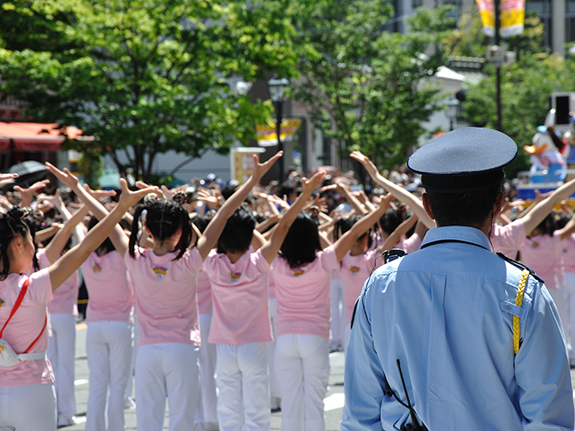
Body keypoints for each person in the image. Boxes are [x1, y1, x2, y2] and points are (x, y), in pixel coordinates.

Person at [342, 128, 574, 430]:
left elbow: (361, 414)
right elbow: (549, 420)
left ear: (427, 206)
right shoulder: (523, 291)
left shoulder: (381, 285)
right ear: (498, 204)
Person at [0, 172, 157, 431]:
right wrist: (119, 209)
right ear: (18, 244)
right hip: (31, 390)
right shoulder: (33, 285)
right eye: (31, 240)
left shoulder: (31, 281)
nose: (34, 246)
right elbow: (84, 247)